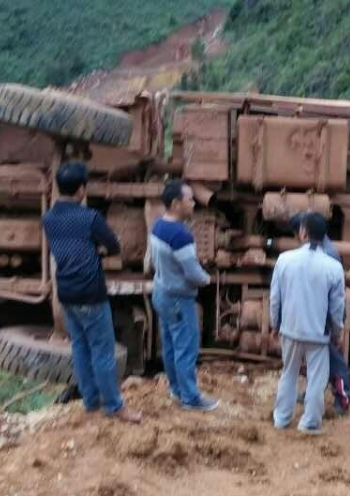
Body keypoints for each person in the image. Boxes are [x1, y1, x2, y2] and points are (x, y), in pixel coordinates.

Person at [42, 162, 141, 423]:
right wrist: (99, 251)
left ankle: (90, 400)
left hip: (66, 292)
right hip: (90, 292)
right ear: (82, 189)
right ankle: (114, 405)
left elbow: (67, 246)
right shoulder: (90, 218)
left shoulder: (48, 218)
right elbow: (114, 246)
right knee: (102, 351)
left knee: (80, 348)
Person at [270, 213, 346, 435]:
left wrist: (275, 323)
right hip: (318, 333)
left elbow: (275, 298)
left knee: (289, 373)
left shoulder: (284, 260)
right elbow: (337, 307)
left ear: (303, 232)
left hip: (290, 329)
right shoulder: (333, 267)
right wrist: (337, 332)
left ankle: (281, 418)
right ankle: (310, 422)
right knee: (317, 379)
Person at [149, 180, 219, 411]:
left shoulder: (158, 226)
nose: (193, 203)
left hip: (161, 293)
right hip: (179, 298)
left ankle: (176, 389)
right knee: (186, 347)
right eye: (189, 199)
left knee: (170, 345)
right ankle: (190, 398)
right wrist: (207, 278)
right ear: (176, 204)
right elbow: (192, 272)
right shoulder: (181, 236)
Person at [289, 212, 350, 415]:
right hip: (320, 314)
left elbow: (334, 296)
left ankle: (342, 399)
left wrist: (337, 327)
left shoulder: (327, 254)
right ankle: (313, 394)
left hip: (325, 317)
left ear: (304, 231)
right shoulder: (323, 249)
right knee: (319, 360)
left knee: (333, 358)